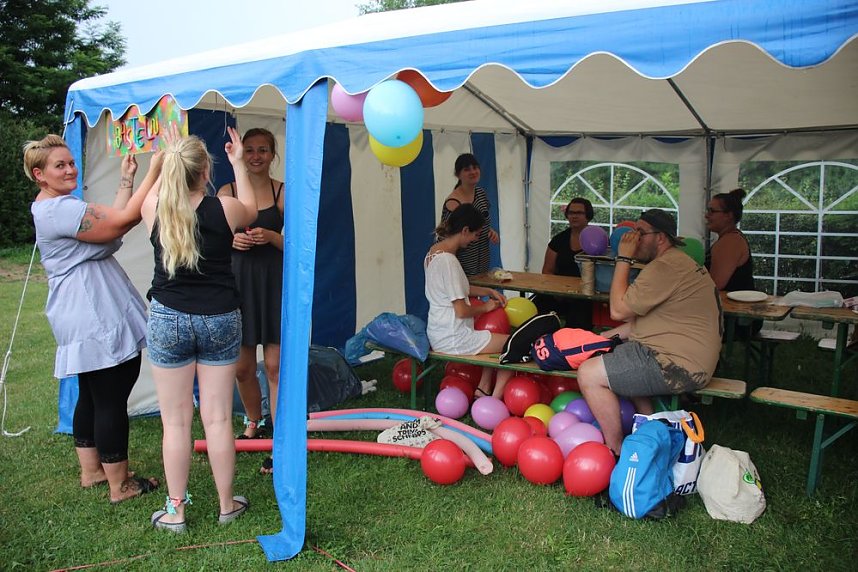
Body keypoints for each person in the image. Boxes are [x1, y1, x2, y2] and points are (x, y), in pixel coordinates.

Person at [24, 134, 162, 504]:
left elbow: (109, 224)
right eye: (60, 165)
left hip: (81, 306)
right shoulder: (59, 210)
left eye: (71, 162)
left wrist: (127, 179)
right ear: (39, 174)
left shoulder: (53, 206)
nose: (70, 170)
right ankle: (120, 486)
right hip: (91, 308)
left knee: (92, 391)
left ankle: (93, 471)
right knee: (111, 394)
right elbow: (122, 221)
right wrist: (156, 169)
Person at [142, 126, 256, 533]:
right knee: (218, 419)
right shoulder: (225, 207)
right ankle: (227, 505)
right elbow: (252, 209)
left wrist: (161, 161)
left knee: (175, 422)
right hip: (220, 317)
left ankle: (176, 511)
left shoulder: (153, 206)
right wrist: (239, 162)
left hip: (168, 317)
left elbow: (152, 194)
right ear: (205, 170)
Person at [575, 209, 722, 455]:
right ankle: (653, 428)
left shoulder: (663, 268)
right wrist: (597, 339)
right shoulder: (678, 263)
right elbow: (642, 323)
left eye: (640, 233)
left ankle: (615, 450)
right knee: (618, 355)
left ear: (660, 238)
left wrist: (623, 258)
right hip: (691, 359)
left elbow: (618, 310)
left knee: (589, 374)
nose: (633, 238)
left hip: (679, 365)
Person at [216, 129, 283, 460]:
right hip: (238, 284)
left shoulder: (282, 191)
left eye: (263, 150)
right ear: (241, 154)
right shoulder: (226, 191)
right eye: (250, 150)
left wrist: (271, 236)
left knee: (274, 365)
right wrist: (231, 240)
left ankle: (280, 427)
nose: (256, 156)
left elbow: (300, 244)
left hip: (273, 283)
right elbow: (211, 239)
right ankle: (253, 420)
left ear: (273, 155)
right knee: (242, 368)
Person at [425, 203, 513, 398]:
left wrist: (488, 290)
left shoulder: (434, 252)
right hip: (453, 337)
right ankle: (494, 398)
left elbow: (455, 288)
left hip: (439, 331)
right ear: (465, 230)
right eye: (475, 234)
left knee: (496, 341)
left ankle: (483, 388)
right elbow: (462, 311)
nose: (475, 239)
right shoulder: (448, 261)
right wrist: (486, 307)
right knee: (512, 344)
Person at [705, 188, 762, 337]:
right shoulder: (728, 239)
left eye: (712, 211)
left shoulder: (730, 242)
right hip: (735, 315)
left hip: (737, 319)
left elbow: (715, 284)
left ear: (728, 215)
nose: (707, 215)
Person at [533, 197, 595, 329]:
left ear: (588, 216)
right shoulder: (558, 240)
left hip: (586, 295)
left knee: (579, 313)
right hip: (559, 293)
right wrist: (557, 292)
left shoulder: (597, 240)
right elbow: (547, 271)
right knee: (538, 302)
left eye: (579, 213)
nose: (574, 216)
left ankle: (572, 338)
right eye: (571, 212)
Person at [439, 153, 499, 277]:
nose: (473, 172)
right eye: (467, 169)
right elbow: (446, 237)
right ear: (458, 175)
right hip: (463, 267)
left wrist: (490, 231)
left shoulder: (481, 194)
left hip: (482, 264)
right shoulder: (453, 202)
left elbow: (481, 222)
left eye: (475, 168)